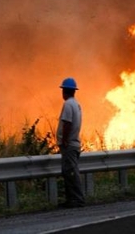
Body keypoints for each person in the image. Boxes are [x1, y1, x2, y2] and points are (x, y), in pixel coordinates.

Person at [56, 77, 85, 208]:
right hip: (74, 144)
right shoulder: (76, 104)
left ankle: (77, 200)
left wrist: (64, 140)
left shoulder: (68, 104)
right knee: (69, 172)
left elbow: (67, 123)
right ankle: (71, 200)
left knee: (71, 173)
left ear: (64, 91)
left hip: (70, 145)